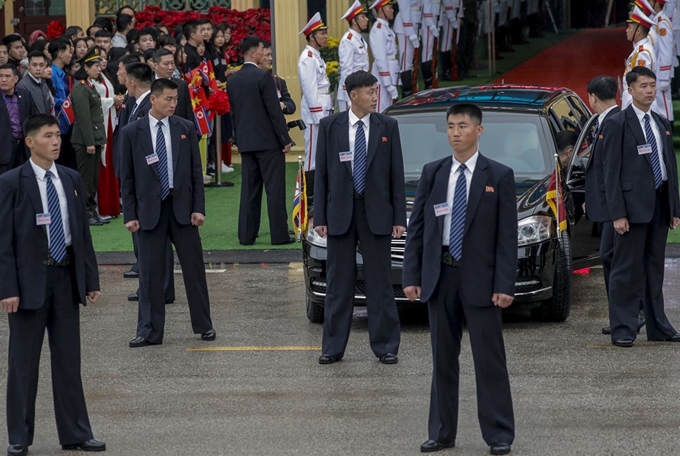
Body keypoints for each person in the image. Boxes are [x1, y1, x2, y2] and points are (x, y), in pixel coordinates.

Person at [402, 103, 516, 455]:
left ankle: (499, 434)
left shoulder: (498, 175)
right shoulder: (434, 173)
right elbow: (418, 230)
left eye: (462, 126)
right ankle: (441, 432)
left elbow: (506, 237)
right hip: (441, 276)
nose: (455, 132)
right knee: (442, 358)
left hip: (481, 279)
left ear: (478, 130)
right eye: (450, 126)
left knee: (489, 358)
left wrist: (504, 284)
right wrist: (413, 275)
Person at [0, 114, 105, 456]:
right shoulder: (13, 182)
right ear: (30, 142)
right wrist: (7, 288)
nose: (56, 142)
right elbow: (4, 243)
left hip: (64, 278)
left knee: (67, 361)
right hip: (29, 282)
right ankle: (19, 436)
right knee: (23, 364)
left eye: (58, 135)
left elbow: (82, 236)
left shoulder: (71, 179)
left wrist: (89, 279)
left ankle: (76, 432)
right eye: (48, 136)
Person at [314, 70, 406, 364]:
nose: (375, 97)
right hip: (341, 213)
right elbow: (322, 174)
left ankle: (386, 346)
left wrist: (399, 218)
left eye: (376, 91)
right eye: (369, 92)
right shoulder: (331, 126)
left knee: (379, 282)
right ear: (353, 95)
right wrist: (320, 217)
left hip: (376, 213)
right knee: (339, 282)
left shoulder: (387, 126)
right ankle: (332, 348)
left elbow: (396, 174)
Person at [120, 78, 215, 347]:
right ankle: (149, 330)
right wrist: (130, 214)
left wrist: (198, 208)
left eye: (175, 99)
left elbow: (196, 173)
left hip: (182, 209)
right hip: (149, 210)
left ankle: (204, 325)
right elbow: (126, 179)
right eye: (168, 99)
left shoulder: (184, 128)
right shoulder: (132, 132)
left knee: (194, 270)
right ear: (153, 99)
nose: (173, 104)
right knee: (150, 274)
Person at [601, 66, 680, 347]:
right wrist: (618, 213)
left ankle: (658, 326)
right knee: (626, 270)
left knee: (654, 268)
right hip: (631, 209)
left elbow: (669, 166)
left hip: (659, 205)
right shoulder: (617, 124)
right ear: (629, 90)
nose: (649, 90)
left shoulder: (661, 123)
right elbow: (610, 172)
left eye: (652, 85)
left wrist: (674, 208)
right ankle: (623, 327)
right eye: (643, 86)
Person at [227, 36, 294, 246]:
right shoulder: (263, 77)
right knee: (274, 190)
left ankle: (246, 235)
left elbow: (234, 114)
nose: (264, 53)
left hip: (246, 143)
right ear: (254, 52)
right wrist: (285, 138)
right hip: (268, 143)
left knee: (249, 190)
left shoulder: (232, 80)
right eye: (262, 50)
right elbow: (274, 112)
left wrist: (238, 138)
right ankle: (279, 235)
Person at [119, 61, 176, 304]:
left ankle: (159, 289)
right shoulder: (133, 104)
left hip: (152, 188)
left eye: (121, 73)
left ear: (132, 82)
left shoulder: (148, 110)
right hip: (140, 188)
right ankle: (152, 287)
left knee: (155, 243)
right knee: (146, 243)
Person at [584, 76, 623, 331]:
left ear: (592, 97)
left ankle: (627, 313)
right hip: (607, 205)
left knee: (613, 259)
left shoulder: (612, 123)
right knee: (611, 258)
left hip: (614, 208)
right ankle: (621, 314)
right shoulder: (607, 120)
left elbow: (612, 171)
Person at [71, 46, 107, 226]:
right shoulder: (80, 88)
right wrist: (90, 142)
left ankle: (92, 210)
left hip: (94, 139)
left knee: (93, 179)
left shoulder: (89, 86)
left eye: (99, 65)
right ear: (85, 67)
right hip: (85, 140)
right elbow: (84, 118)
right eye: (95, 66)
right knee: (86, 179)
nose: (99, 69)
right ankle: (86, 212)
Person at [298, 12, 332, 195]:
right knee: (312, 156)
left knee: (321, 154)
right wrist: (319, 115)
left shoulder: (315, 55)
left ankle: (318, 193)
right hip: (314, 114)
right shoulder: (307, 58)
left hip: (322, 108)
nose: (326, 37)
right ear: (312, 36)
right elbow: (309, 89)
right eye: (322, 33)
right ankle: (310, 198)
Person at [92, 48, 123, 219]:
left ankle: (111, 206)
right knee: (102, 165)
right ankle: (101, 207)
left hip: (110, 122)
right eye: (98, 61)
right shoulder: (89, 82)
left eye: (104, 59)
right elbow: (93, 101)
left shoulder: (105, 77)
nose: (102, 63)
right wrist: (113, 100)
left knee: (110, 163)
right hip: (101, 125)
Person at [338, 1, 371, 112]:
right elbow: (346, 69)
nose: (366, 19)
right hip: (352, 92)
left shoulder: (358, 38)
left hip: (361, 87)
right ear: (354, 21)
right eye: (362, 16)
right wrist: (349, 93)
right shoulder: (348, 40)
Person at [49, 38, 77, 170]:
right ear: (60, 54)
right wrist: (71, 100)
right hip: (59, 124)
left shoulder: (63, 74)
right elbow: (53, 99)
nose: (71, 55)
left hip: (66, 126)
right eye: (68, 52)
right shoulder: (52, 73)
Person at [622, 7, 656, 109]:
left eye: (630, 27)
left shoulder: (643, 52)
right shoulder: (640, 49)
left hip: (638, 104)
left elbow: (642, 83)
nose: (627, 30)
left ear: (638, 31)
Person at [0, 64, 31, 174]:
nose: (3, 80)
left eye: (7, 76)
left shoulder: (25, 95)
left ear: (16, 78)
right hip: (3, 150)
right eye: (0, 76)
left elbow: (31, 119)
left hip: (23, 148)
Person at [370, 0, 400, 112]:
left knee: (389, 109)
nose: (392, 10)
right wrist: (387, 84)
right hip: (382, 77)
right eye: (389, 8)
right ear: (381, 10)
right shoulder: (378, 29)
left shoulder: (386, 27)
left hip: (391, 70)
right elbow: (380, 58)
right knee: (381, 108)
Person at [394, 0, 422, 97]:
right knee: (406, 62)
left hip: (415, 23)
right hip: (405, 27)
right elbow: (404, 9)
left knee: (411, 62)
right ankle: (407, 93)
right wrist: (410, 32)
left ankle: (412, 90)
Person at [17, 50, 54, 116]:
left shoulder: (44, 84)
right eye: (34, 65)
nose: (38, 68)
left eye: (41, 65)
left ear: (45, 66)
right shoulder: (22, 86)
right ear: (28, 66)